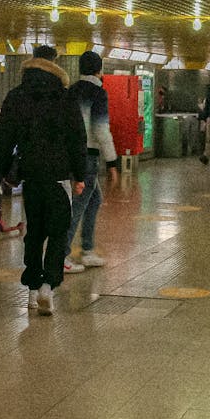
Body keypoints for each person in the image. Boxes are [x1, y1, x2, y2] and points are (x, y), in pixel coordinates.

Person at [0, 45, 87, 316]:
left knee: (34, 232)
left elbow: (4, 138)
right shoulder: (65, 96)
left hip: (31, 176)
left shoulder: (16, 95)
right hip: (59, 176)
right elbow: (77, 139)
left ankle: (32, 291)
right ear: (55, 64)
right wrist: (80, 175)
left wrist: (4, 172)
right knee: (58, 232)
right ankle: (48, 285)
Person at [64, 50, 121, 274]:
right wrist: (112, 161)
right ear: (99, 70)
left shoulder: (71, 91)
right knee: (78, 205)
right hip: (87, 156)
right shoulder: (98, 93)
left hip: (70, 153)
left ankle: (87, 249)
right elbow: (100, 128)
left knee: (94, 199)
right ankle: (61, 255)